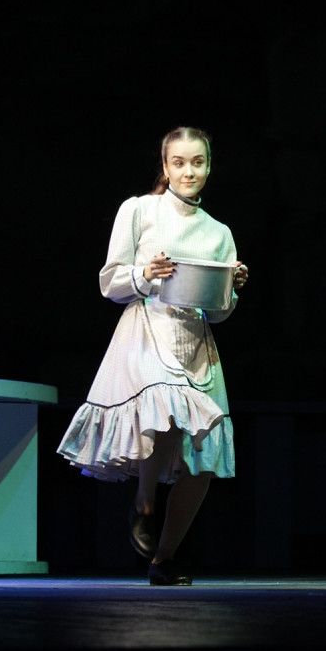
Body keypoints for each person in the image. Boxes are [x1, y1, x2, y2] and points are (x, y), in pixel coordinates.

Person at [57, 126, 248, 585]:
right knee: (164, 404)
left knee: (203, 453)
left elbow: (218, 312)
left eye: (197, 162)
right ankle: (144, 502)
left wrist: (232, 289)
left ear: (209, 167)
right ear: (165, 166)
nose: (189, 171)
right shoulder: (139, 210)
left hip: (195, 341)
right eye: (179, 162)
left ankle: (164, 558)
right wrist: (145, 274)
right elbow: (110, 282)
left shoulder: (219, 233)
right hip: (146, 329)